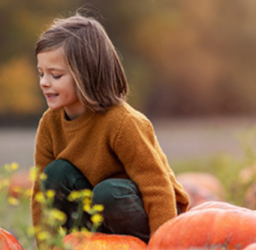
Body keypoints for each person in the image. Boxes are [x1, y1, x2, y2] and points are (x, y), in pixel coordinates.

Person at [30, 13, 189, 245]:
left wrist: (164, 244)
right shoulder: (49, 123)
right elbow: (41, 195)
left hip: (146, 214)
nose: (44, 82)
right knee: (54, 175)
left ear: (86, 75)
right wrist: (46, 246)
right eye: (41, 73)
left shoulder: (123, 122)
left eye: (55, 75)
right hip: (100, 217)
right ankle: (88, 243)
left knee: (109, 193)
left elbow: (157, 188)